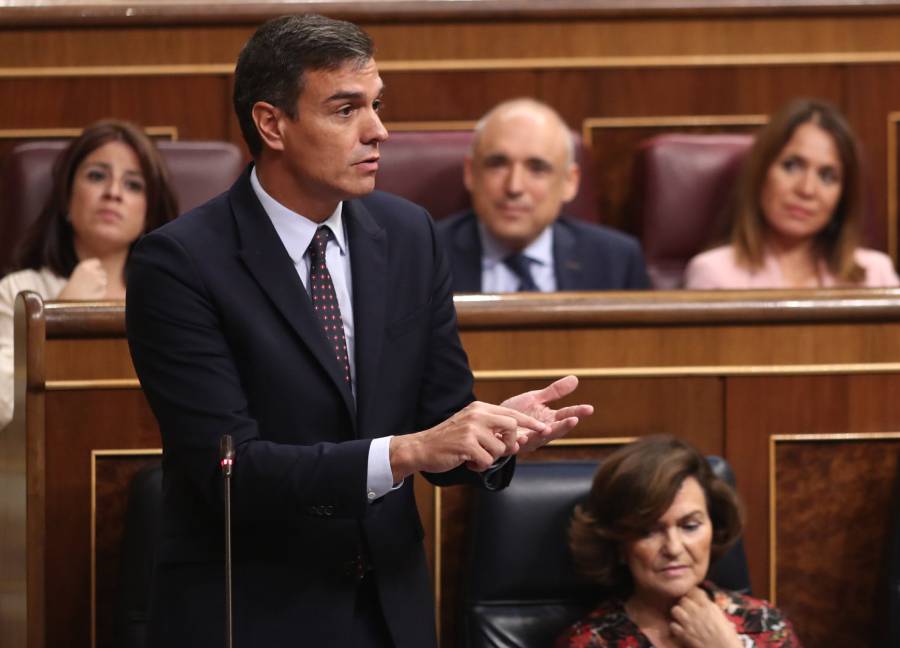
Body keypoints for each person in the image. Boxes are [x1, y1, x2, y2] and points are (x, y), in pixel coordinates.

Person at [124, 15, 592, 648]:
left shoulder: (409, 236)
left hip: (390, 611)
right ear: (272, 124)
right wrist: (405, 452)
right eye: (346, 109)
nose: (378, 130)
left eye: (376, 105)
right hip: (252, 613)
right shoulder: (179, 262)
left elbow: (440, 422)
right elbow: (231, 471)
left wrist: (494, 437)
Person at [0, 119, 177, 430]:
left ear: (148, 213)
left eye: (133, 184)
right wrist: (60, 316)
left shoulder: (173, 298)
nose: (113, 193)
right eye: (97, 177)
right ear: (67, 198)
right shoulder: (19, 291)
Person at [559, 435, 801, 648]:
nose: (674, 548)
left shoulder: (764, 623)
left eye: (690, 526)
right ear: (620, 544)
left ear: (713, 527)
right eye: (649, 532)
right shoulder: (589, 642)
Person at [437, 98, 651, 292]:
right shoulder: (423, 258)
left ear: (570, 182)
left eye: (537, 168)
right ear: (470, 173)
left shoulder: (616, 260)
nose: (514, 186)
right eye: (498, 164)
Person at [683, 99, 900, 289]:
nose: (806, 190)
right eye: (791, 166)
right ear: (761, 171)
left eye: (827, 176)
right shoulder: (714, 274)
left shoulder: (876, 275)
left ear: (843, 194)